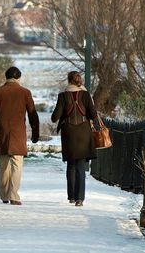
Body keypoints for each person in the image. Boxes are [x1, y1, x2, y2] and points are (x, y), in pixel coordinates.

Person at [0, 66, 39, 206]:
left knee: (4, 164)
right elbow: (33, 113)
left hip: (3, 132)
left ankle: (4, 194)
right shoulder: (25, 92)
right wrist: (35, 132)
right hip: (18, 132)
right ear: (18, 78)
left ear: (6, 77)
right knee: (17, 164)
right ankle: (14, 195)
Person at [51, 71, 97, 207]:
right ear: (79, 81)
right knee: (80, 166)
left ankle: (71, 196)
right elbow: (93, 115)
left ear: (68, 80)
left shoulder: (63, 96)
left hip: (69, 132)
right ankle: (80, 199)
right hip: (83, 132)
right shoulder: (86, 95)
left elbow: (55, 117)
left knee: (71, 164)